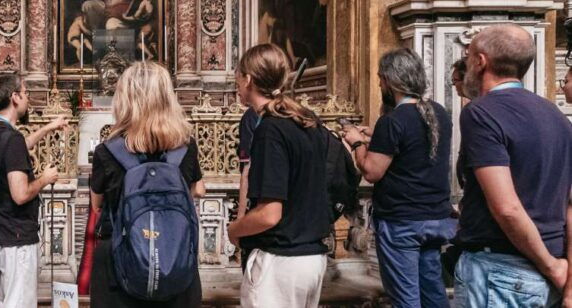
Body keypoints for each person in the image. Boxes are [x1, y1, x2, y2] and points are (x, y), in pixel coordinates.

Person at [452, 24, 572, 307]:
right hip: (550, 269)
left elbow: (507, 209)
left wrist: (550, 266)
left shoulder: (481, 113)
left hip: (500, 269)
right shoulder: (556, 115)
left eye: (469, 57)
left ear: (481, 62)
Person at [343, 48, 455, 308]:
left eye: (381, 78)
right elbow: (413, 150)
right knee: (433, 295)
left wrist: (357, 142)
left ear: (392, 80)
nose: (379, 83)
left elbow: (371, 171)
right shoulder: (438, 113)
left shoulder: (392, 120)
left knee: (406, 299)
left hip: (403, 222)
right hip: (436, 219)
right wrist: (377, 137)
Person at [89, 61, 206, 308]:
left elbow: (97, 205)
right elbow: (197, 190)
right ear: (167, 98)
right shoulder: (186, 146)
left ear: (124, 99)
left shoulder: (106, 151)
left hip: (119, 263)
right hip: (175, 256)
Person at [227, 44, 329, 308]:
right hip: (312, 257)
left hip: (281, 262)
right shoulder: (307, 120)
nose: (236, 82)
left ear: (248, 79)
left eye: (238, 75)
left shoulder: (270, 129)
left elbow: (269, 213)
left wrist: (235, 229)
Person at [0, 72, 68, 308]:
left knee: (3, 299)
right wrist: (44, 178)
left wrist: (49, 127)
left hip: (1, 230)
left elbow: (16, 148)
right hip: (18, 236)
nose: (28, 98)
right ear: (15, 97)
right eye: (26, 93)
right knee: (20, 302)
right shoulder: (11, 138)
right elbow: (20, 195)